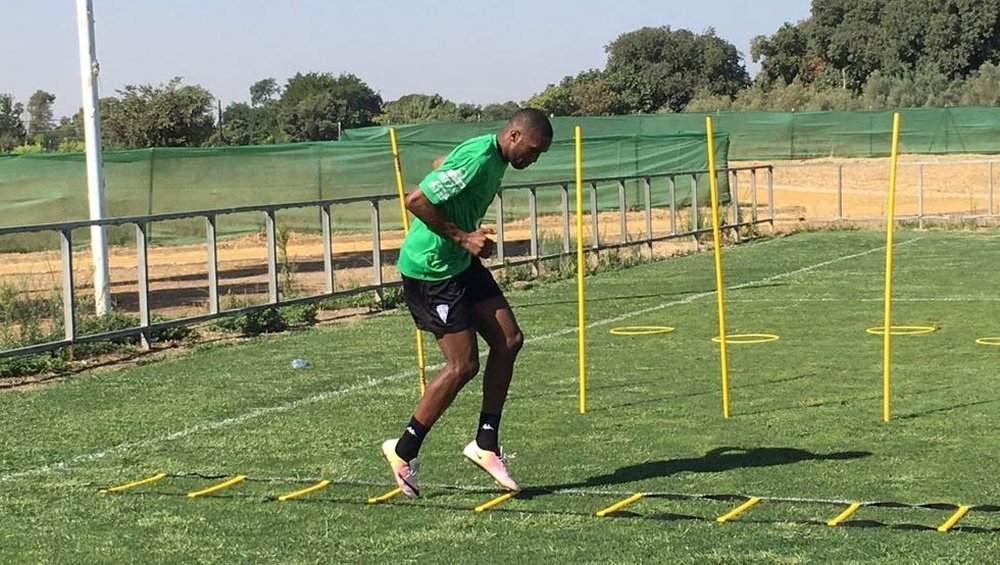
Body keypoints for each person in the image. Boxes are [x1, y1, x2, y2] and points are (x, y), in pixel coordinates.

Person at [381, 108, 554, 497]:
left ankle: (485, 444)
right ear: (513, 136)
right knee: (463, 365)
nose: (533, 158)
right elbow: (417, 198)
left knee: (509, 340)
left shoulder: (491, 156)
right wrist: (464, 236)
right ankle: (402, 451)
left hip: (459, 263)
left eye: (540, 154)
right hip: (431, 269)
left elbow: (443, 166)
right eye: (532, 149)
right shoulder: (480, 157)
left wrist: (461, 212)